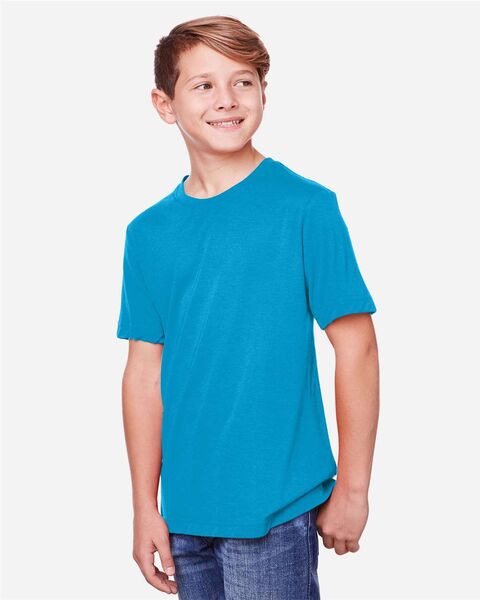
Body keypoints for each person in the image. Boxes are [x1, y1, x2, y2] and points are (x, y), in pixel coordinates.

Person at [116, 14, 380, 600]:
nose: (227, 99)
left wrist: (354, 489)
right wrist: (144, 506)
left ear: (263, 92)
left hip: (275, 508)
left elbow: (357, 345)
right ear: (164, 104)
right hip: (185, 512)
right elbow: (144, 374)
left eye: (243, 81)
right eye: (203, 84)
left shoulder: (306, 206)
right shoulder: (148, 233)